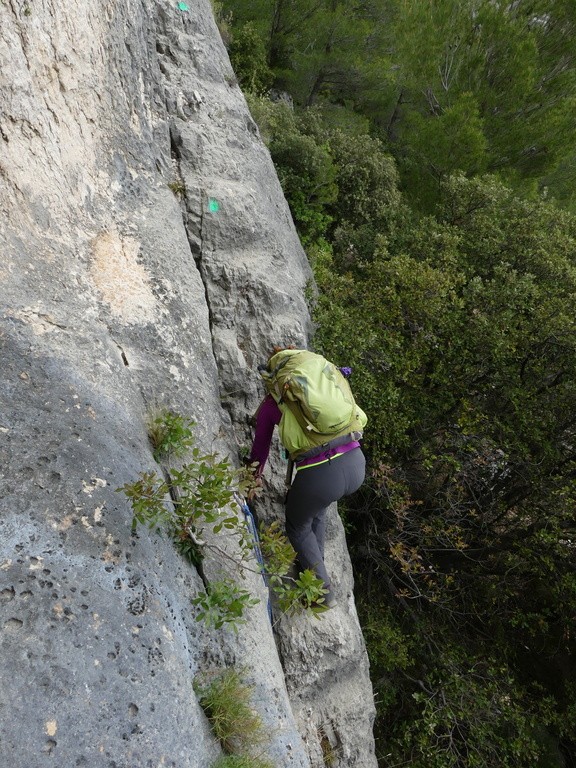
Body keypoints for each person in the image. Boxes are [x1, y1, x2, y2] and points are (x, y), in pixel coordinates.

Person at [248, 348, 366, 608]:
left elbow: (260, 450)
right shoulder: (326, 383)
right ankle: (310, 578)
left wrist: (251, 479)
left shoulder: (273, 404)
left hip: (323, 474)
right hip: (356, 462)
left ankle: (322, 593)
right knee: (315, 511)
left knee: (297, 525)